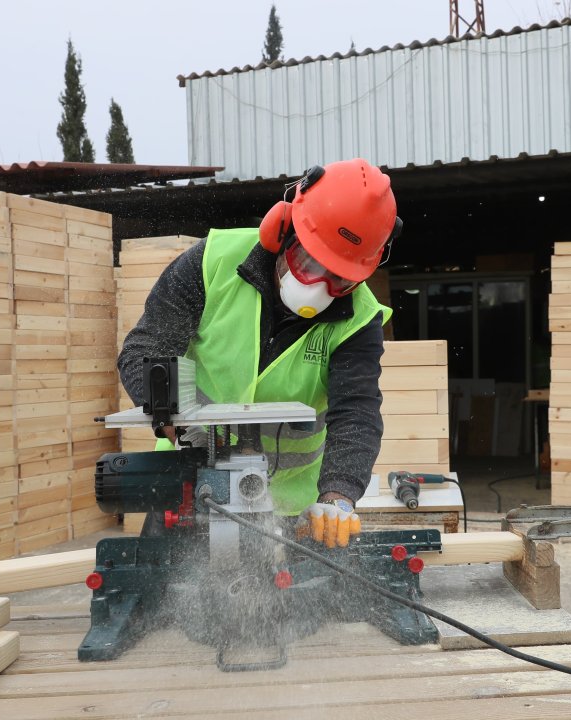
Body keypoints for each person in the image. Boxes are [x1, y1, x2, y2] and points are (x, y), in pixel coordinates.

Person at [117, 158, 401, 548]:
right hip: (188, 485)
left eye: (339, 279)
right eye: (308, 262)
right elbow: (144, 349)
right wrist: (174, 419)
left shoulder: (359, 319)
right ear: (282, 229)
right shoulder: (213, 262)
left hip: (291, 507)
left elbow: (356, 412)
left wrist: (337, 496)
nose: (317, 287)